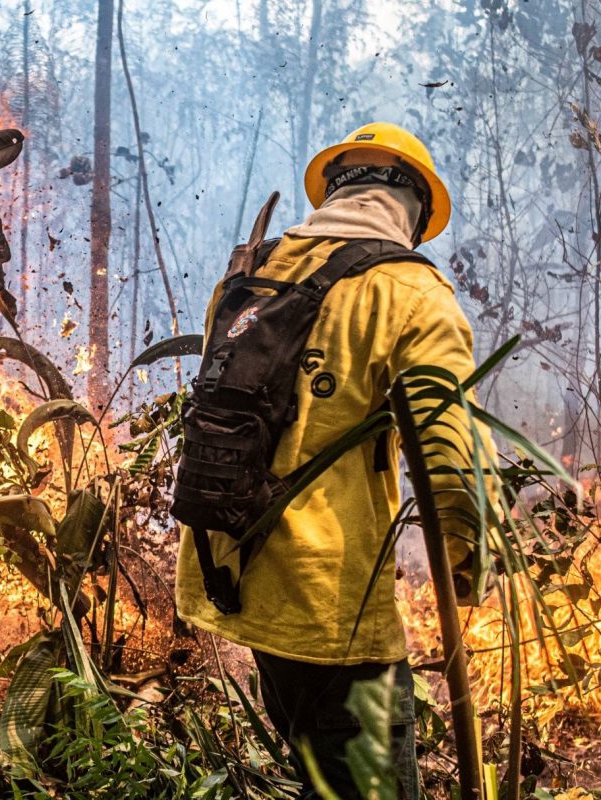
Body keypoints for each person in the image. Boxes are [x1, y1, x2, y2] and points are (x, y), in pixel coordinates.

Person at [174, 123, 495, 799]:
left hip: (234, 573)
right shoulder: (410, 290)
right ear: (413, 208)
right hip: (334, 611)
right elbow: (451, 450)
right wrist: (467, 562)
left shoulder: (249, 271)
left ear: (336, 191)